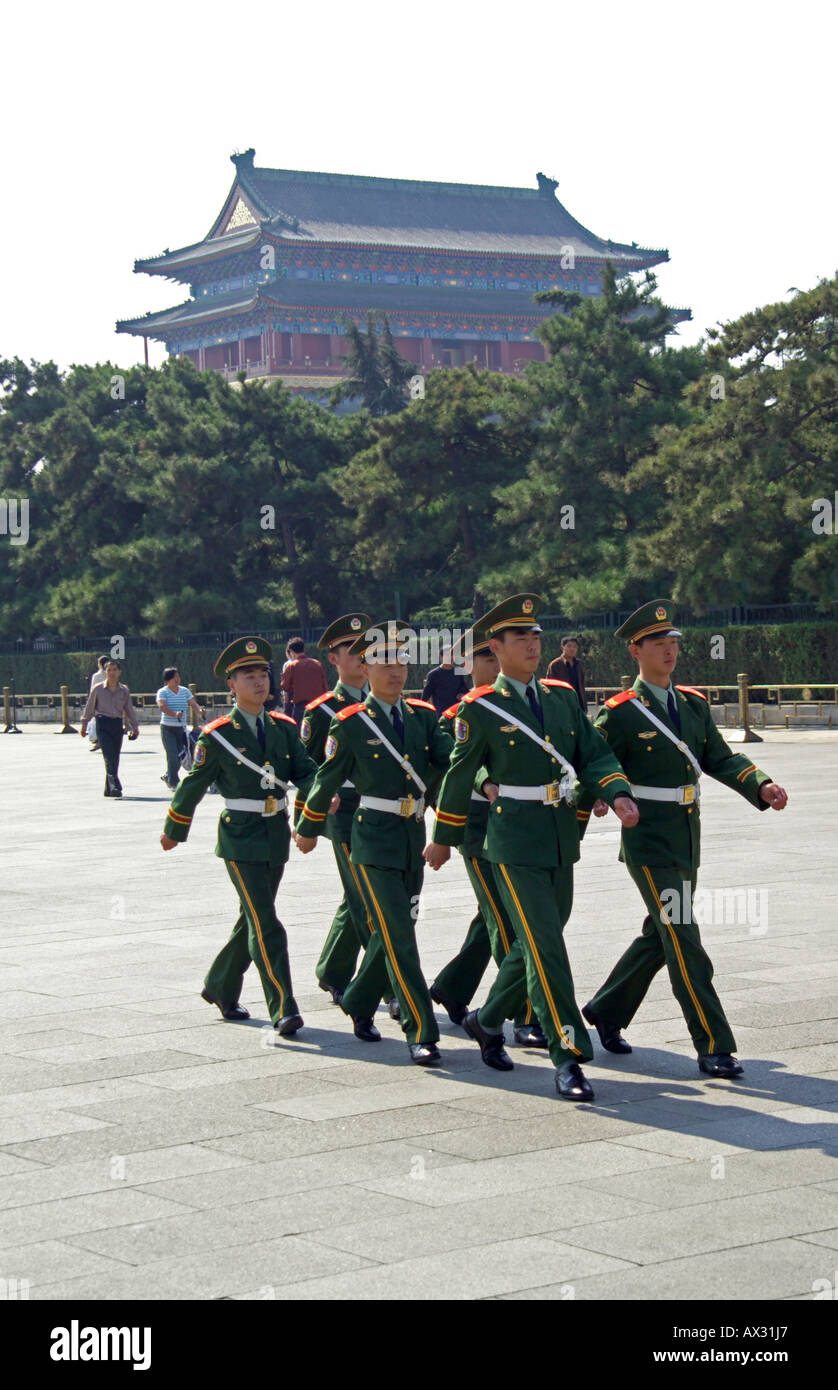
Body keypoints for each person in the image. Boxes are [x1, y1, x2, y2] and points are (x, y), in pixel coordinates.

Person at [424, 594, 639, 1101]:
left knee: (536, 939)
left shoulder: (562, 696)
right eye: (520, 638)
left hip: (560, 835)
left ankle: (488, 1018)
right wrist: (444, 839)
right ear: (495, 648)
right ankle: (569, 1056)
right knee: (547, 947)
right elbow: (458, 774)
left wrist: (617, 791)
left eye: (536, 637)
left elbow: (593, 751)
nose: (532, 645)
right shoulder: (479, 709)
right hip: (511, 841)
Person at [576, 600, 788, 1079]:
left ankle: (607, 1008)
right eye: (659, 643)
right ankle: (714, 1042)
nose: (670, 650)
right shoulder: (621, 713)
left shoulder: (691, 704)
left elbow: (720, 757)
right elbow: (593, 761)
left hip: (686, 836)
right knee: (684, 934)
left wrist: (760, 783)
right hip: (647, 839)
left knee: (662, 931)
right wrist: (608, 795)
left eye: (673, 642)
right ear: (636, 650)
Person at [295, 622, 454, 1065]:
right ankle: (419, 1029)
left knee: (397, 927)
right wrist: (307, 827)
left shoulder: (423, 717)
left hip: (412, 836)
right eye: (384, 661)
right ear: (363, 668)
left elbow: (449, 766)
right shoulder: (347, 723)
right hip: (368, 837)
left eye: (402, 661)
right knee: (397, 932)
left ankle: (359, 999)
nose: (396, 670)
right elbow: (323, 777)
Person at [160, 637, 318, 1035]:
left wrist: (320, 798)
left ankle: (220, 987)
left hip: (274, 835)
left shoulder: (283, 728)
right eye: (248, 676)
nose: (259, 682)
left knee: (252, 917)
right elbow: (194, 783)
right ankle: (284, 1006)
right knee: (267, 923)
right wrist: (173, 829)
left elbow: (307, 770)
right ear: (231, 684)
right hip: (240, 839)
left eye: (263, 674)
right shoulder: (217, 735)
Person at [429, 624, 546, 1047]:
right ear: (468, 665)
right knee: (505, 923)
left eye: (498, 658)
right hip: (478, 830)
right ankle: (525, 1013)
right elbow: (456, 764)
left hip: (521, 829)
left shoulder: (526, 707)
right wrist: (483, 782)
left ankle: (452, 988)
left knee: (493, 916)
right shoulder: (456, 716)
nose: (496, 666)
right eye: (486, 659)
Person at [298, 612, 394, 1008]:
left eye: (365, 650)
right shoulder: (321, 711)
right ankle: (390, 987)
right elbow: (305, 770)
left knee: (358, 897)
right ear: (333, 660)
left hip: (386, 811)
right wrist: (307, 821)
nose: (359, 657)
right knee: (370, 901)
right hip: (345, 811)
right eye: (349, 651)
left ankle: (333, 971)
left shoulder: (388, 703)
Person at [80, 660, 140, 797]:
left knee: (115, 756)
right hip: (103, 724)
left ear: (119, 672)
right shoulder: (98, 689)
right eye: (109, 670)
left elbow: (129, 710)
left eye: (114, 670)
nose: (112, 673)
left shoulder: (124, 690)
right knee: (108, 755)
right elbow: (90, 707)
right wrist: (84, 725)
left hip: (117, 724)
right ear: (105, 672)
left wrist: (134, 727)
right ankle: (115, 785)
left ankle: (108, 789)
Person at [156, 667, 206, 790]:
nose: (177, 679)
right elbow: (162, 706)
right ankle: (174, 782)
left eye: (178, 676)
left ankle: (168, 775)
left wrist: (200, 711)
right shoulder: (163, 692)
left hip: (181, 728)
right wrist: (174, 714)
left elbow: (193, 704)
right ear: (167, 680)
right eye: (174, 677)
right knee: (172, 754)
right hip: (167, 728)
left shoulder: (184, 691)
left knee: (180, 755)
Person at [281, 637, 327, 726]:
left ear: (291, 651)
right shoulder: (317, 663)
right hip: (318, 706)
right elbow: (324, 686)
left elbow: (285, 686)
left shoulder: (291, 666)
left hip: (300, 708)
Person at [421, 647, 470, 716]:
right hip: (441, 714)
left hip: (457, 712)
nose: (450, 658)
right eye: (448, 655)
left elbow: (464, 690)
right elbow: (425, 695)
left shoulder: (458, 672)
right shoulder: (434, 674)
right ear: (441, 657)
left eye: (452, 655)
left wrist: (462, 694)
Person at [546, 636, 587, 713]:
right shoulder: (555, 665)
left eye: (575, 646)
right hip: (563, 705)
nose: (572, 649)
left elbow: (582, 684)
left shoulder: (579, 664)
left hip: (579, 704)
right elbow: (549, 687)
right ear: (562, 648)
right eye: (569, 646)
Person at [86, 655, 109, 750]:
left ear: (99, 664)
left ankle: (98, 741)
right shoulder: (110, 674)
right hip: (110, 702)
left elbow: (93, 690)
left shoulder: (96, 676)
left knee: (98, 723)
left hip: (99, 702)